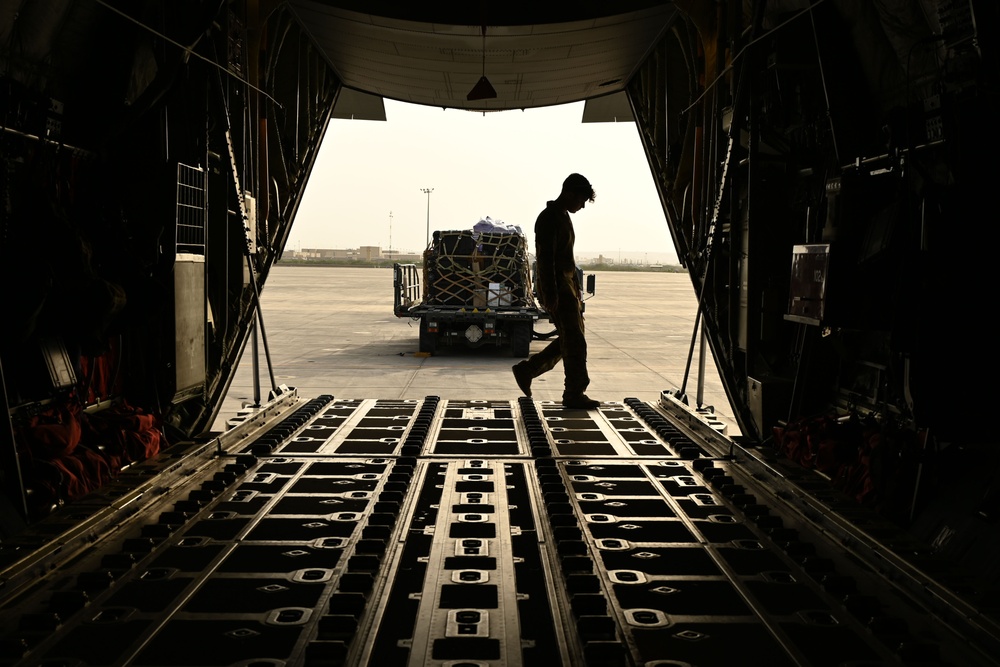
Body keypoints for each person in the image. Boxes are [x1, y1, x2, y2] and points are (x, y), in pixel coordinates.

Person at [512, 173, 599, 409]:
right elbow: (545, 260)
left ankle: (528, 370)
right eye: (581, 200)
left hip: (567, 288)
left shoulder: (562, 217)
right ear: (569, 193)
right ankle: (574, 392)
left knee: (570, 340)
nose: (581, 206)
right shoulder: (549, 218)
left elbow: (566, 259)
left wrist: (577, 290)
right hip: (558, 289)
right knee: (575, 342)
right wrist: (550, 293)